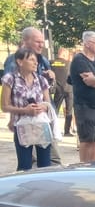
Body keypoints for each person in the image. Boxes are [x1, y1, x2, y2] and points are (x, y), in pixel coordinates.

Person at [5, 27, 61, 165]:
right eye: (37, 42)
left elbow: (48, 95)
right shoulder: (13, 64)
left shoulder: (43, 61)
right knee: (26, 163)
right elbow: (12, 96)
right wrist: (14, 117)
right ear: (25, 41)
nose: (41, 45)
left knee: (50, 160)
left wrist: (51, 78)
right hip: (23, 123)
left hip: (43, 120)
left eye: (42, 42)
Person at [1, 48, 53, 171]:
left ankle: (44, 189)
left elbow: (48, 104)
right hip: (22, 127)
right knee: (24, 166)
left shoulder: (41, 80)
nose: (36, 63)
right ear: (20, 61)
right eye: (31, 60)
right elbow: (4, 106)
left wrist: (42, 107)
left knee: (45, 165)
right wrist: (25, 110)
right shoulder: (10, 79)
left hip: (41, 125)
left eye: (36, 61)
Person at [69, 31, 95, 162]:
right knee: (87, 140)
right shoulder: (79, 60)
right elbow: (88, 81)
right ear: (87, 44)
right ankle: (84, 166)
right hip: (85, 105)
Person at [51, 47, 73, 136]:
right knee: (69, 111)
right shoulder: (69, 64)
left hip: (58, 89)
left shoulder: (51, 63)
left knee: (55, 110)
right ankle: (67, 131)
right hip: (69, 89)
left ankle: (53, 129)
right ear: (64, 54)